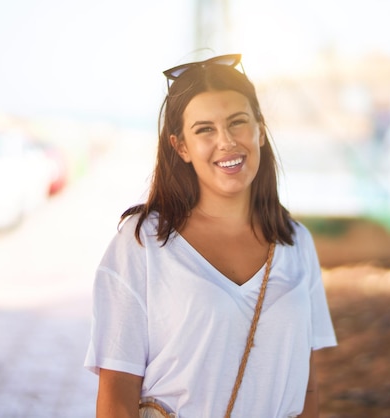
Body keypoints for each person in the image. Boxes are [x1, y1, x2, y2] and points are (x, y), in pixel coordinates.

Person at [84, 53, 337, 418]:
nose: (227, 142)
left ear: (260, 130)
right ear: (181, 146)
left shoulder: (296, 242)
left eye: (238, 123)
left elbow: (307, 383)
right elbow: (117, 392)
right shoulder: (142, 245)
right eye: (205, 129)